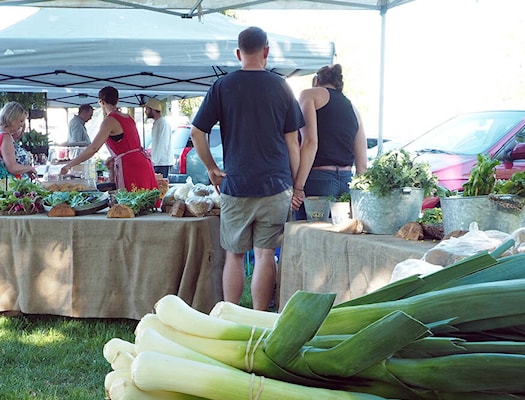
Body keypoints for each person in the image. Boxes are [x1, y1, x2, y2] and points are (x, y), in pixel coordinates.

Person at [190, 26, 303, 312]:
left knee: (234, 256)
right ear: (266, 51)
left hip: (236, 186)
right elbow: (293, 143)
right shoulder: (281, 86)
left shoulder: (222, 86)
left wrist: (212, 168)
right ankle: (259, 317)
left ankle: (231, 316)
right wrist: (296, 185)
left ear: (239, 54)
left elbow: (196, 132)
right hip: (276, 187)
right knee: (266, 255)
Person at [292, 64, 368, 220]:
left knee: (308, 237)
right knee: (337, 240)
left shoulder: (309, 95)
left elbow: (310, 142)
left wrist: (298, 187)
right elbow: (362, 165)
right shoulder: (354, 109)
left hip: (317, 179)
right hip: (347, 180)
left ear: (316, 81)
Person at [60, 86, 157, 191]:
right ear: (117, 100)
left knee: (130, 202)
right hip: (143, 162)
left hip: (130, 166)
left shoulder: (109, 121)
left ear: (101, 102)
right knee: (145, 201)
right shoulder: (129, 118)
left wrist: (69, 165)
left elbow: (94, 148)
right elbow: (127, 144)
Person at [145, 98, 172, 179]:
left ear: (152, 109)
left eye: (147, 109)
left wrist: (153, 161)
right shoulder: (158, 123)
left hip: (161, 163)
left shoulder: (163, 123)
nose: (145, 112)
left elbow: (162, 144)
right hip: (158, 162)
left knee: (160, 187)